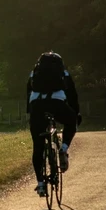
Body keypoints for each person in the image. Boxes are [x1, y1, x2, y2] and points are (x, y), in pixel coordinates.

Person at [26, 51, 81, 197]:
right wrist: (75, 113)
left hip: (37, 106)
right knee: (70, 122)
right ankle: (63, 148)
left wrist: (30, 113)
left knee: (38, 146)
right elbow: (72, 95)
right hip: (57, 103)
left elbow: (28, 92)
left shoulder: (34, 72)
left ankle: (40, 184)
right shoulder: (64, 72)